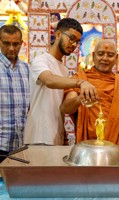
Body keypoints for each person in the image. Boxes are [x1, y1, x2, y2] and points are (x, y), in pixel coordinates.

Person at [24, 18, 98, 146]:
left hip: (55, 137)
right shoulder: (41, 61)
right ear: (58, 34)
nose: (74, 44)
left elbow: (59, 106)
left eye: (77, 42)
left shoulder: (63, 69)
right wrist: (80, 83)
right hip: (39, 135)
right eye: (71, 38)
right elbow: (49, 80)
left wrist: (63, 133)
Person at [60, 39, 119, 146]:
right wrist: (79, 99)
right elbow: (65, 108)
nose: (105, 58)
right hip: (89, 144)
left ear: (116, 58)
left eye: (110, 55)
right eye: (100, 54)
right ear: (93, 56)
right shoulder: (79, 79)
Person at [0, 25, 29, 162]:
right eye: (6, 43)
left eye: (15, 44)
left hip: (21, 146)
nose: (11, 48)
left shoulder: (27, 70)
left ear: (22, 44)